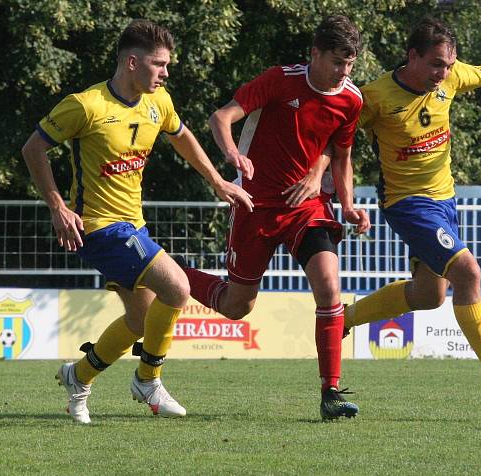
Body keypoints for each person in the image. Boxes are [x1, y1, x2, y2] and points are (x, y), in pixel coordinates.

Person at [21, 19, 253, 424]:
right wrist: (58, 206)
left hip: (134, 226)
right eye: (159, 64)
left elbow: (180, 135)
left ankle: (78, 376)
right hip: (99, 227)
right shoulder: (86, 104)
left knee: (140, 319)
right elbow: (32, 148)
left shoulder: (157, 102)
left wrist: (217, 181)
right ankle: (148, 378)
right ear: (132, 62)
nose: (166, 73)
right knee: (178, 287)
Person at [342, 16, 481, 403]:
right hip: (407, 204)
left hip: (445, 201)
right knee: (468, 272)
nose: (443, 73)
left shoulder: (452, 76)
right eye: (435, 64)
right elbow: (338, 144)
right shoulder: (376, 96)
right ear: (411, 56)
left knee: (429, 295)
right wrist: (332, 189)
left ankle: (340, 321)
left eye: (448, 65)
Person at [175, 15, 370, 420]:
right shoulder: (280, 80)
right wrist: (233, 155)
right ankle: (173, 272)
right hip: (254, 204)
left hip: (306, 208)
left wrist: (347, 203)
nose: (344, 72)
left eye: (350, 64)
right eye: (337, 62)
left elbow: (342, 152)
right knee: (236, 305)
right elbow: (221, 118)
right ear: (314, 53)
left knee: (329, 286)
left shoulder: (350, 99)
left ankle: (330, 392)